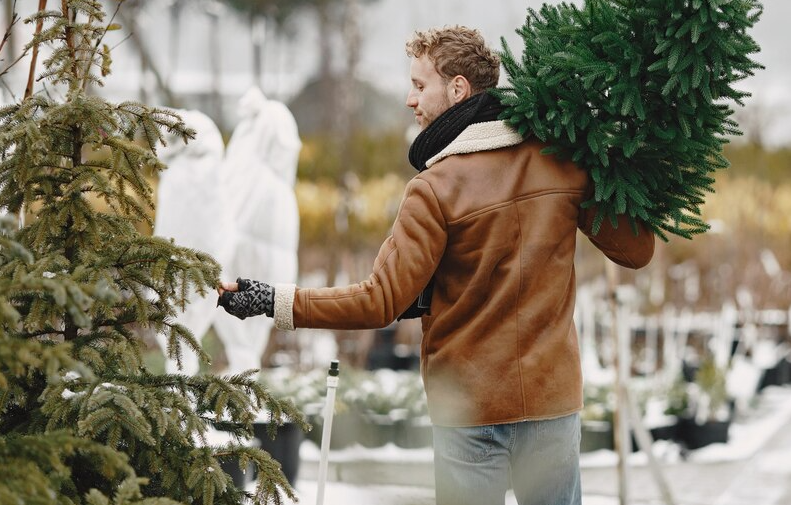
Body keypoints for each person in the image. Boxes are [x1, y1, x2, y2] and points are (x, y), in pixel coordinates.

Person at [217, 25, 654, 505]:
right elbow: (636, 251)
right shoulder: (562, 161)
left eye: (419, 85)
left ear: (458, 88)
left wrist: (272, 300)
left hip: (469, 413)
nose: (409, 99)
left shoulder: (435, 188)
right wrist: (612, 156)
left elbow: (378, 300)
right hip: (551, 405)